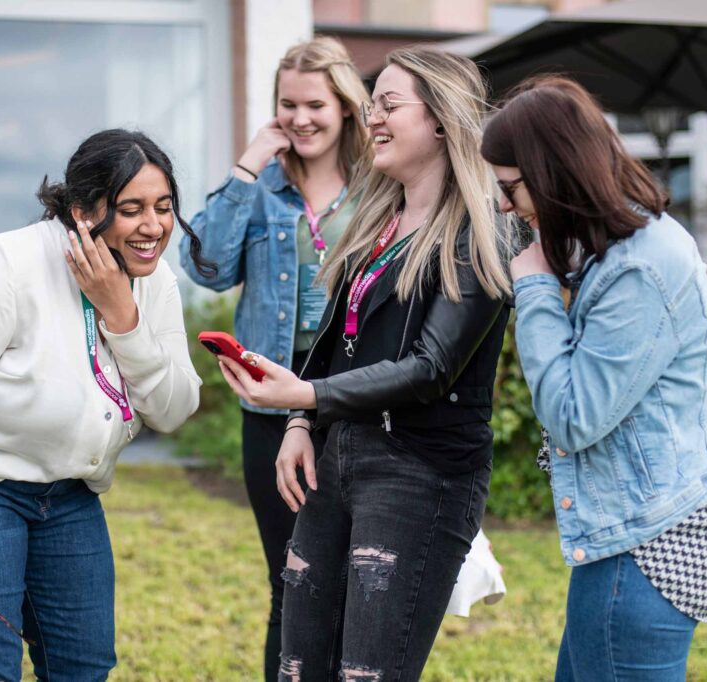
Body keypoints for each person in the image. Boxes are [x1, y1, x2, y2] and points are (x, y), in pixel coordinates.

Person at [216, 47, 515, 681]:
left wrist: (305, 399)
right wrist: (303, 426)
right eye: (371, 102)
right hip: (339, 459)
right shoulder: (380, 216)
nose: (371, 116)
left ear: (439, 120)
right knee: (301, 667)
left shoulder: (479, 229)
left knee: (365, 674)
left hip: (420, 475)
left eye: (388, 103)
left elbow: (431, 367)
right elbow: (334, 333)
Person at [0, 129, 211, 681]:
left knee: (82, 668)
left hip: (68, 495)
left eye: (164, 207)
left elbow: (173, 409)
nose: (153, 227)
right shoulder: (6, 266)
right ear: (82, 210)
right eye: (131, 209)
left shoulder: (154, 281)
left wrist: (122, 317)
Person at [480, 76, 707, 681]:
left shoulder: (639, 268)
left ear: (553, 171)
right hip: (639, 534)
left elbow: (573, 416)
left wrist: (535, 285)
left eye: (511, 187)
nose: (506, 205)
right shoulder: (622, 251)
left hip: (647, 547)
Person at [178, 37, 370, 680]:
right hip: (268, 408)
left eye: (315, 103)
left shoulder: (380, 189)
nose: (300, 118)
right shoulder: (260, 190)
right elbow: (205, 266)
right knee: (289, 581)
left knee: (355, 585)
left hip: (356, 405)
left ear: (344, 106)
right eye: (287, 104)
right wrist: (245, 167)